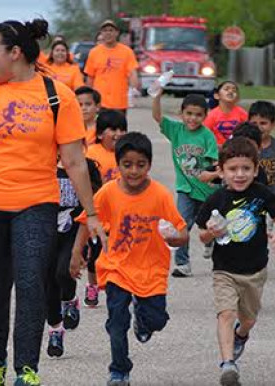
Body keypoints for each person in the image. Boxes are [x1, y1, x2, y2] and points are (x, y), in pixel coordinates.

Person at [0, 18, 104, 386]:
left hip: (36, 203)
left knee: (31, 283)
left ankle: (26, 370)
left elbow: (75, 162)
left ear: (14, 53)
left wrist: (91, 213)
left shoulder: (57, 95)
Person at [69, 132, 188, 386]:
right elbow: (87, 221)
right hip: (117, 267)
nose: (134, 171)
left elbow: (182, 232)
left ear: (149, 165)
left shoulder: (160, 195)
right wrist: (76, 252)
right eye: (127, 164)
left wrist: (175, 237)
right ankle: (119, 369)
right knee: (117, 322)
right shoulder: (108, 192)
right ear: (118, 164)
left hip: (151, 269)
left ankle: (143, 322)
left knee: (157, 320)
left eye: (140, 165)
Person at [194, 137, 275, 385]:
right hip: (224, 269)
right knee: (226, 313)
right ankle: (228, 364)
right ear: (221, 171)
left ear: (255, 170)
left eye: (246, 168)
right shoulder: (216, 200)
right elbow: (201, 234)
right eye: (233, 169)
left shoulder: (262, 194)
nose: (239, 174)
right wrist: (210, 233)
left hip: (255, 270)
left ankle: (241, 334)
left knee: (248, 319)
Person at [152, 89, 218, 278]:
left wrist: (214, 177)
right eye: (189, 113)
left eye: (198, 115)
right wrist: (157, 96)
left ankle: (210, 242)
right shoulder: (176, 130)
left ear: (205, 116)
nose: (193, 118)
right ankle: (183, 264)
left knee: (208, 226)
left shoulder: (207, 136)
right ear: (181, 113)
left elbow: (214, 163)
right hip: (185, 190)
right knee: (181, 225)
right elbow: (157, 116)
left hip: (206, 191)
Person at [46, 151, 103, 358]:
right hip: (47, 230)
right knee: (48, 283)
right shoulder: (44, 166)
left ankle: (69, 300)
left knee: (63, 271)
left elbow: (96, 201)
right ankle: (55, 329)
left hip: (74, 231)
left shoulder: (86, 167)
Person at [82, 110, 126, 307]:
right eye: (113, 130)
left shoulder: (126, 153)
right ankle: (92, 285)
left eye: (122, 130)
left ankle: (117, 284)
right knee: (96, 253)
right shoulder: (91, 153)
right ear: (100, 134)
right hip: (98, 211)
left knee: (120, 251)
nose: (118, 134)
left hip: (121, 211)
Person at [84, 20, 140, 114]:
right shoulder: (94, 52)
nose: (108, 33)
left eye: (111, 30)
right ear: (101, 33)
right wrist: (89, 98)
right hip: (99, 104)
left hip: (119, 103)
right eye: (105, 30)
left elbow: (132, 73)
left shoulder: (127, 52)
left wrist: (133, 89)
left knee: (118, 124)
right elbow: (90, 77)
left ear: (117, 33)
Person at [204, 81, 248, 146]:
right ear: (216, 96)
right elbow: (204, 135)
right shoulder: (211, 115)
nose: (230, 91)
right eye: (226, 89)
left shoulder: (243, 114)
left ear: (237, 98)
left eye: (234, 90)